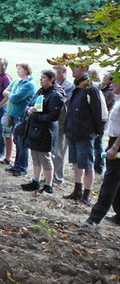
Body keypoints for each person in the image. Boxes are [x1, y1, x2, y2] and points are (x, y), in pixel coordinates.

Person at [63, 62, 105, 205]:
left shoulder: (90, 88)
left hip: (85, 133)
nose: (72, 70)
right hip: (73, 130)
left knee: (87, 164)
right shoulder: (77, 86)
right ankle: (77, 190)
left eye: (75, 67)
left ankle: (87, 195)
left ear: (84, 69)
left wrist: (99, 131)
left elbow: (98, 112)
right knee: (76, 163)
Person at [20, 69, 64, 193]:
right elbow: (30, 104)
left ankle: (48, 184)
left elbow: (54, 116)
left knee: (45, 157)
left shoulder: (55, 95)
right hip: (34, 128)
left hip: (46, 131)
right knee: (35, 156)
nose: (41, 79)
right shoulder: (40, 91)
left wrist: (36, 116)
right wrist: (29, 110)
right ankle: (35, 180)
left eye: (44, 77)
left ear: (51, 80)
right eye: (41, 77)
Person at [83, 80, 120, 228]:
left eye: (115, 82)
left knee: (110, 181)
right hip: (113, 140)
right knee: (116, 180)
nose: (111, 85)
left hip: (117, 144)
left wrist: (115, 148)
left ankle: (94, 218)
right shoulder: (117, 98)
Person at [6, 63, 36, 177]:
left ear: (26, 70)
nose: (17, 71)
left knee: (22, 142)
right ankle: (16, 165)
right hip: (15, 114)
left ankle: (22, 168)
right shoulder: (19, 82)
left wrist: (10, 93)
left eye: (19, 69)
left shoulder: (29, 85)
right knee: (17, 141)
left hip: (22, 116)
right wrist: (12, 92)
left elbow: (14, 97)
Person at [52, 65, 75, 184]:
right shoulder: (53, 83)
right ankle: (49, 175)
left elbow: (63, 101)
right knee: (51, 151)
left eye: (55, 68)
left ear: (63, 71)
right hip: (52, 122)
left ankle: (58, 177)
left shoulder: (69, 86)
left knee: (60, 152)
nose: (53, 71)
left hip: (63, 123)